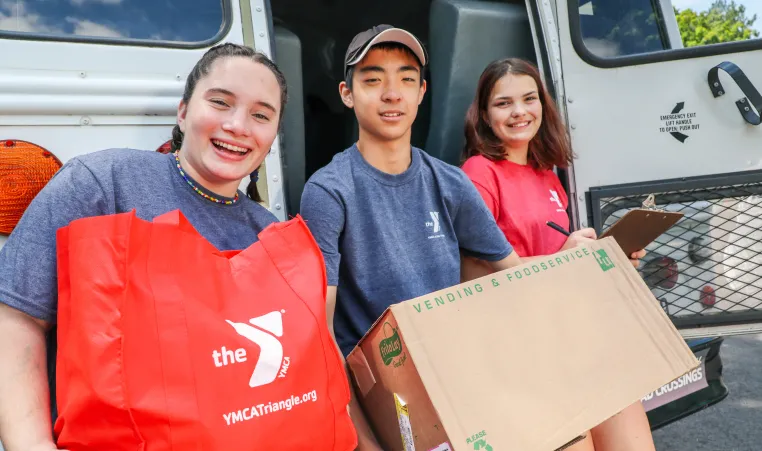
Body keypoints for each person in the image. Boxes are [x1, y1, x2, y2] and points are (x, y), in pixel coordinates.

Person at [0, 44, 349, 451]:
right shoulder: (103, 184)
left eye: (260, 115)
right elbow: (16, 319)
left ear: (272, 137)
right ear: (183, 112)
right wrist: (32, 444)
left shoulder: (273, 238)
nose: (238, 125)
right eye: (221, 103)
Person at [299, 25, 522, 449]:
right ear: (347, 93)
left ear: (422, 92)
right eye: (373, 79)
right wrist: (364, 442)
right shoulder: (329, 191)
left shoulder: (451, 183)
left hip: (457, 373)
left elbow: (511, 274)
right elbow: (321, 338)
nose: (391, 93)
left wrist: (581, 256)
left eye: (406, 79)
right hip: (386, 394)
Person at [460, 58, 653, 451]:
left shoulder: (547, 173)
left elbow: (559, 261)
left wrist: (604, 259)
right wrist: (565, 259)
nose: (519, 112)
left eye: (529, 99)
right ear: (483, 113)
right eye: (503, 103)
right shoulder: (478, 173)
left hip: (574, 332)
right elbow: (471, 277)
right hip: (523, 346)